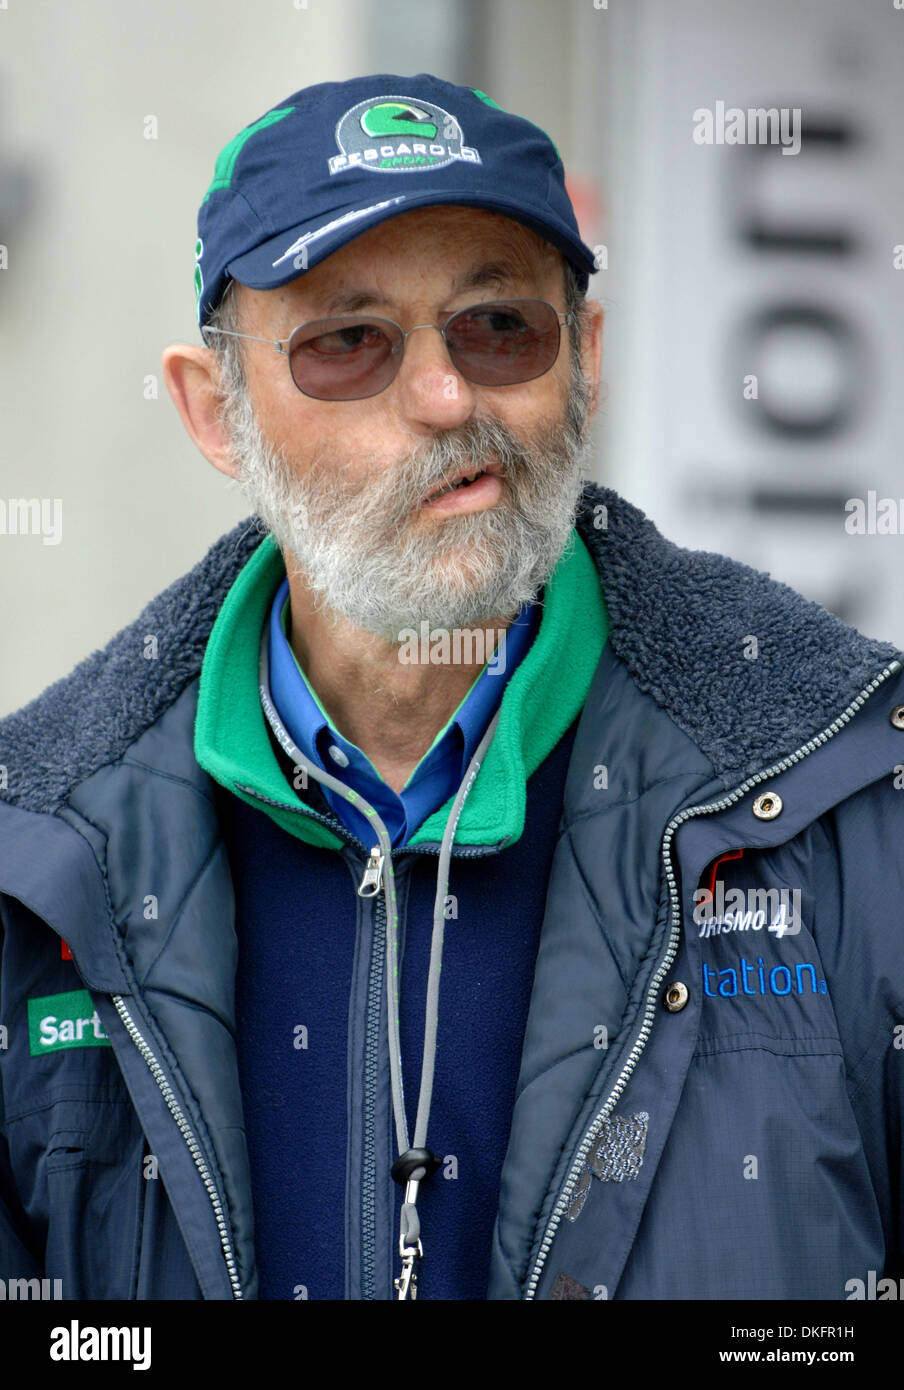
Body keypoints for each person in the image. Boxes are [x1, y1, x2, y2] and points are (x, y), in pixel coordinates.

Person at [1, 72, 902, 1303]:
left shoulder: (843, 789)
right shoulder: (35, 856)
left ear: (581, 361)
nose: (444, 399)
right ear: (216, 415)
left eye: (497, 328)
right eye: (347, 343)